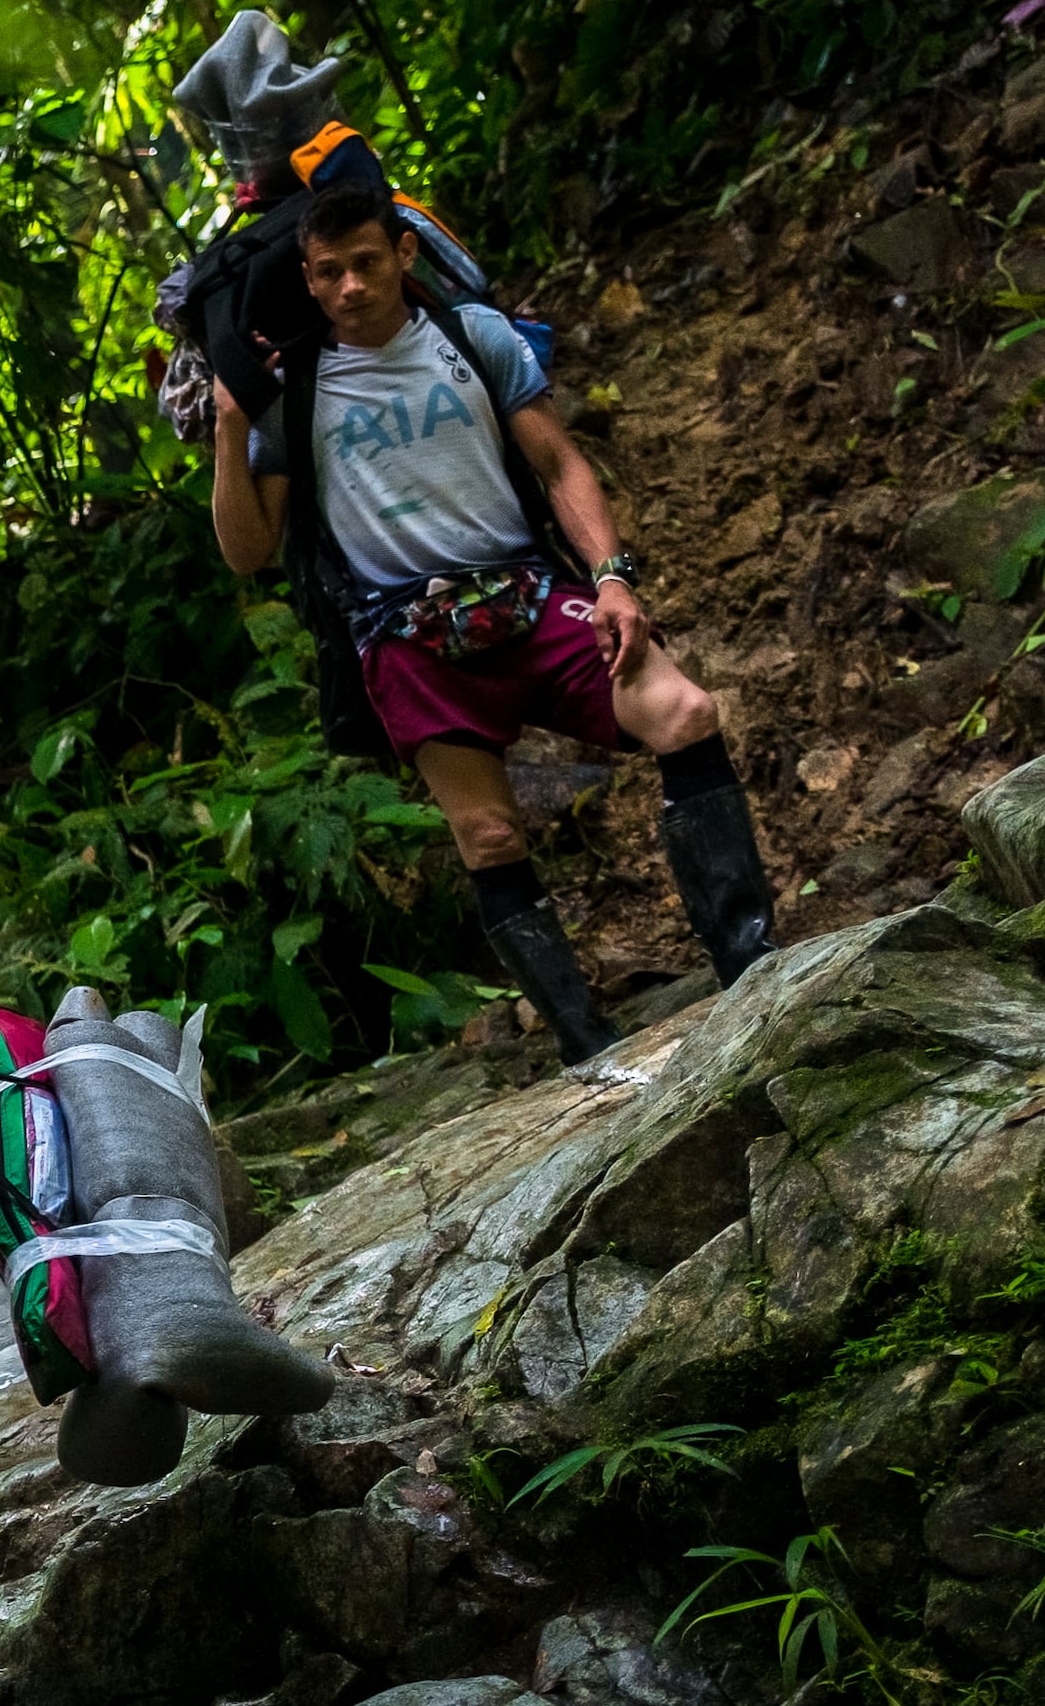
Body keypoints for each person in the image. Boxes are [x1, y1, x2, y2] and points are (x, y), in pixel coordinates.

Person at [204, 163, 772, 1059]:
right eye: (327, 272)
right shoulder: (297, 387)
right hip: (404, 634)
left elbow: (560, 466)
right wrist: (231, 426)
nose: (348, 287)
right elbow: (246, 549)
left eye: (364, 262)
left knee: (686, 712)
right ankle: (589, 1047)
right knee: (490, 832)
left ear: (402, 251)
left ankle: (755, 971)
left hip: (528, 593)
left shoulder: (471, 337)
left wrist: (614, 579)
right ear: (306, 277)